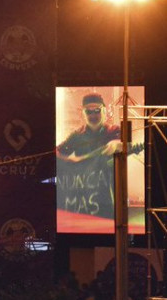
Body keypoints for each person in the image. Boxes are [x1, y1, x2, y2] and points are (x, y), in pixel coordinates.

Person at [56, 92, 138, 220]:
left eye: (97, 110)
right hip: (83, 200)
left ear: (104, 111)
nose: (93, 115)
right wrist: (69, 160)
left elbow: (128, 144)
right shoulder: (76, 136)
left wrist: (116, 144)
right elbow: (57, 152)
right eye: (89, 111)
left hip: (109, 197)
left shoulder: (115, 130)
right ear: (83, 113)